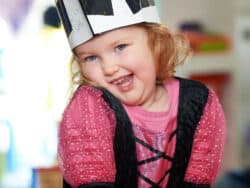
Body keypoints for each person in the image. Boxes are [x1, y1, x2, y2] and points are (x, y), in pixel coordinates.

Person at [55, 0, 226, 187]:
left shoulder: (199, 102)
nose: (109, 68)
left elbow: (198, 179)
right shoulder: (89, 107)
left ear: (155, 42)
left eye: (120, 47)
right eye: (91, 57)